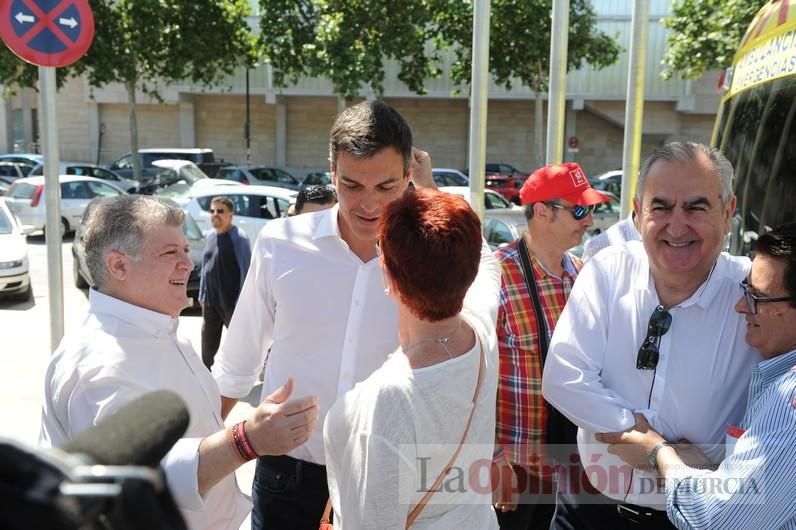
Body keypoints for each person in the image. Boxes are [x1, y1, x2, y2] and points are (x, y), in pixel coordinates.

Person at [212, 100, 498, 530]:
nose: (368, 204)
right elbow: (237, 364)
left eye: (386, 187)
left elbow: (477, 255)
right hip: (287, 476)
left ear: (408, 176)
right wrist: (201, 459)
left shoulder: (423, 258)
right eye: (351, 185)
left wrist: (432, 191)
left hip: (387, 480)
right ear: (331, 173)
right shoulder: (279, 243)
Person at [39, 195, 320, 530]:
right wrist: (248, 439)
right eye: (171, 253)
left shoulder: (159, 328)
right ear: (118, 266)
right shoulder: (100, 363)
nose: (189, 264)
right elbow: (138, 485)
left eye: (186, 250)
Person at [541, 142, 760, 528]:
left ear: (728, 213)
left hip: (692, 518)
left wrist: (721, 462)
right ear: (638, 213)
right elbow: (564, 378)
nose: (677, 226)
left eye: (696, 207)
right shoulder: (607, 271)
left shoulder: (754, 296)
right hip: (586, 510)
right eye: (661, 207)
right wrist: (653, 450)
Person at [597, 222, 796, 529]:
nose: (742, 306)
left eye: (758, 296)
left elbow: (717, 520)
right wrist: (712, 469)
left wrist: (659, 455)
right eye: (746, 290)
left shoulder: (789, 403)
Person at [323, 188, 501, 528]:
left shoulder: (388, 400)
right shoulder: (480, 330)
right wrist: (429, 189)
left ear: (388, 276)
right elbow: (488, 263)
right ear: (470, 269)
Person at [491, 162, 609, 529]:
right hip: (517, 471)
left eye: (591, 209)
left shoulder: (584, 274)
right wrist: (492, 459)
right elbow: (470, 376)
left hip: (576, 473)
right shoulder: (494, 276)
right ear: (541, 211)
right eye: (579, 210)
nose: (588, 221)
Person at [198, 196, 251, 370]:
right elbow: (206, 267)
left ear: (230, 215)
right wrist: (202, 293)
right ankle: (205, 373)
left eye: (220, 211)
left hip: (231, 302)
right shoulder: (211, 236)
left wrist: (243, 302)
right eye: (212, 211)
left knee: (241, 343)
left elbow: (246, 270)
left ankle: (247, 372)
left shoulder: (239, 238)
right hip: (211, 301)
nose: (215, 214)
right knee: (208, 343)